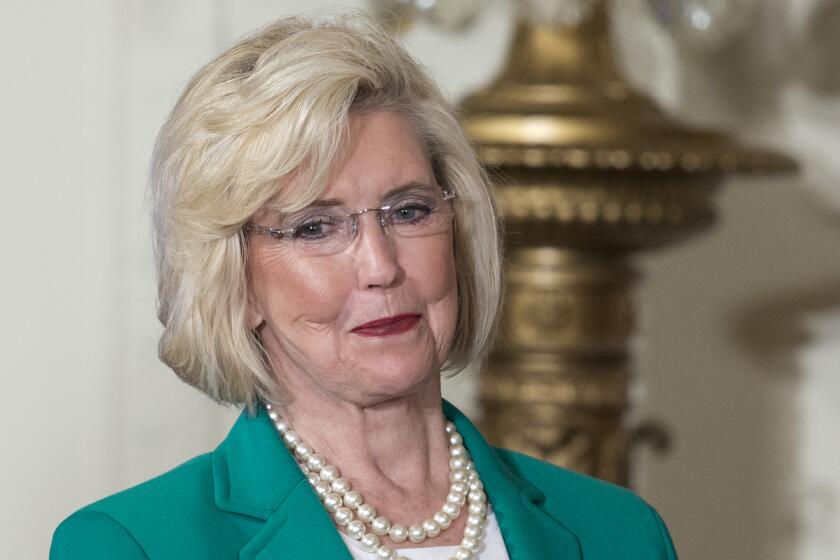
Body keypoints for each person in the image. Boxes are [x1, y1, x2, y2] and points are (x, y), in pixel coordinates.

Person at [50, 13, 678, 560]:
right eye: (316, 227)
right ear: (233, 279)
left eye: (409, 211)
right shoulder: (132, 546)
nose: (380, 265)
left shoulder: (619, 532)